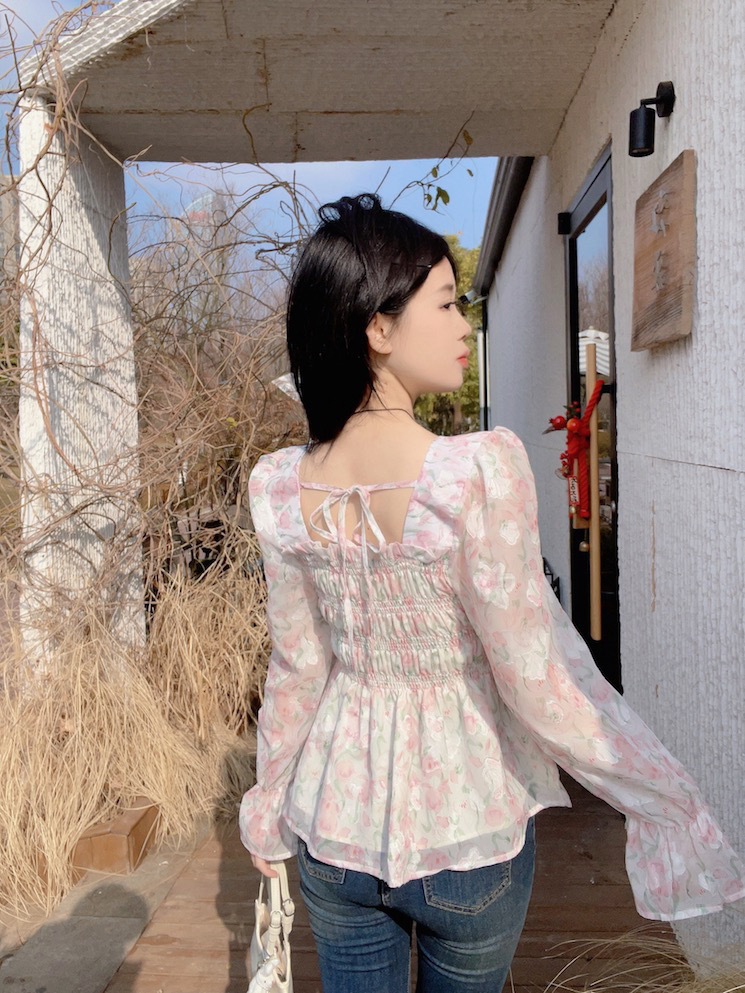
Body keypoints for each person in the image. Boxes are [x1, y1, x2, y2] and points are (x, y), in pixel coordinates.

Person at [239, 192, 745, 993]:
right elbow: (533, 676)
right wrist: (659, 795)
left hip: (332, 821)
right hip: (467, 827)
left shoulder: (280, 484)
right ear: (377, 329)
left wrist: (267, 801)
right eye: (445, 304)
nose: (463, 325)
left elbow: (298, 667)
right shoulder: (472, 471)